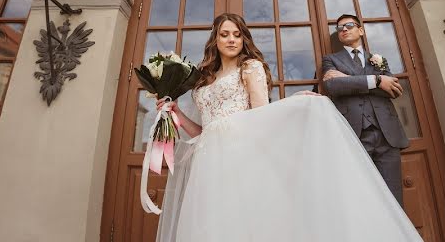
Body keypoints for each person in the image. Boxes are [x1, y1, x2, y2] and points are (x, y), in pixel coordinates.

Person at [155, 13, 422, 242]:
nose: (231, 39)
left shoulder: (250, 67)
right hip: (208, 162)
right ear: (215, 39)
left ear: (244, 38)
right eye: (225, 34)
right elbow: (204, 131)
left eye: (237, 34)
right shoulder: (204, 80)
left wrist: (293, 103)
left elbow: (261, 116)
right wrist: (176, 112)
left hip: (242, 156)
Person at [321, 13, 411, 203]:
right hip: (354, 135)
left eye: (349, 25)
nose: (344, 29)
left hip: (387, 137)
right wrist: (377, 81)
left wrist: (350, 82)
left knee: (394, 199)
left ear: (360, 30)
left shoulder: (378, 59)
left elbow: (392, 90)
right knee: (361, 199)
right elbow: (333, 87)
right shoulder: (331, 60)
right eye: (339, 28)